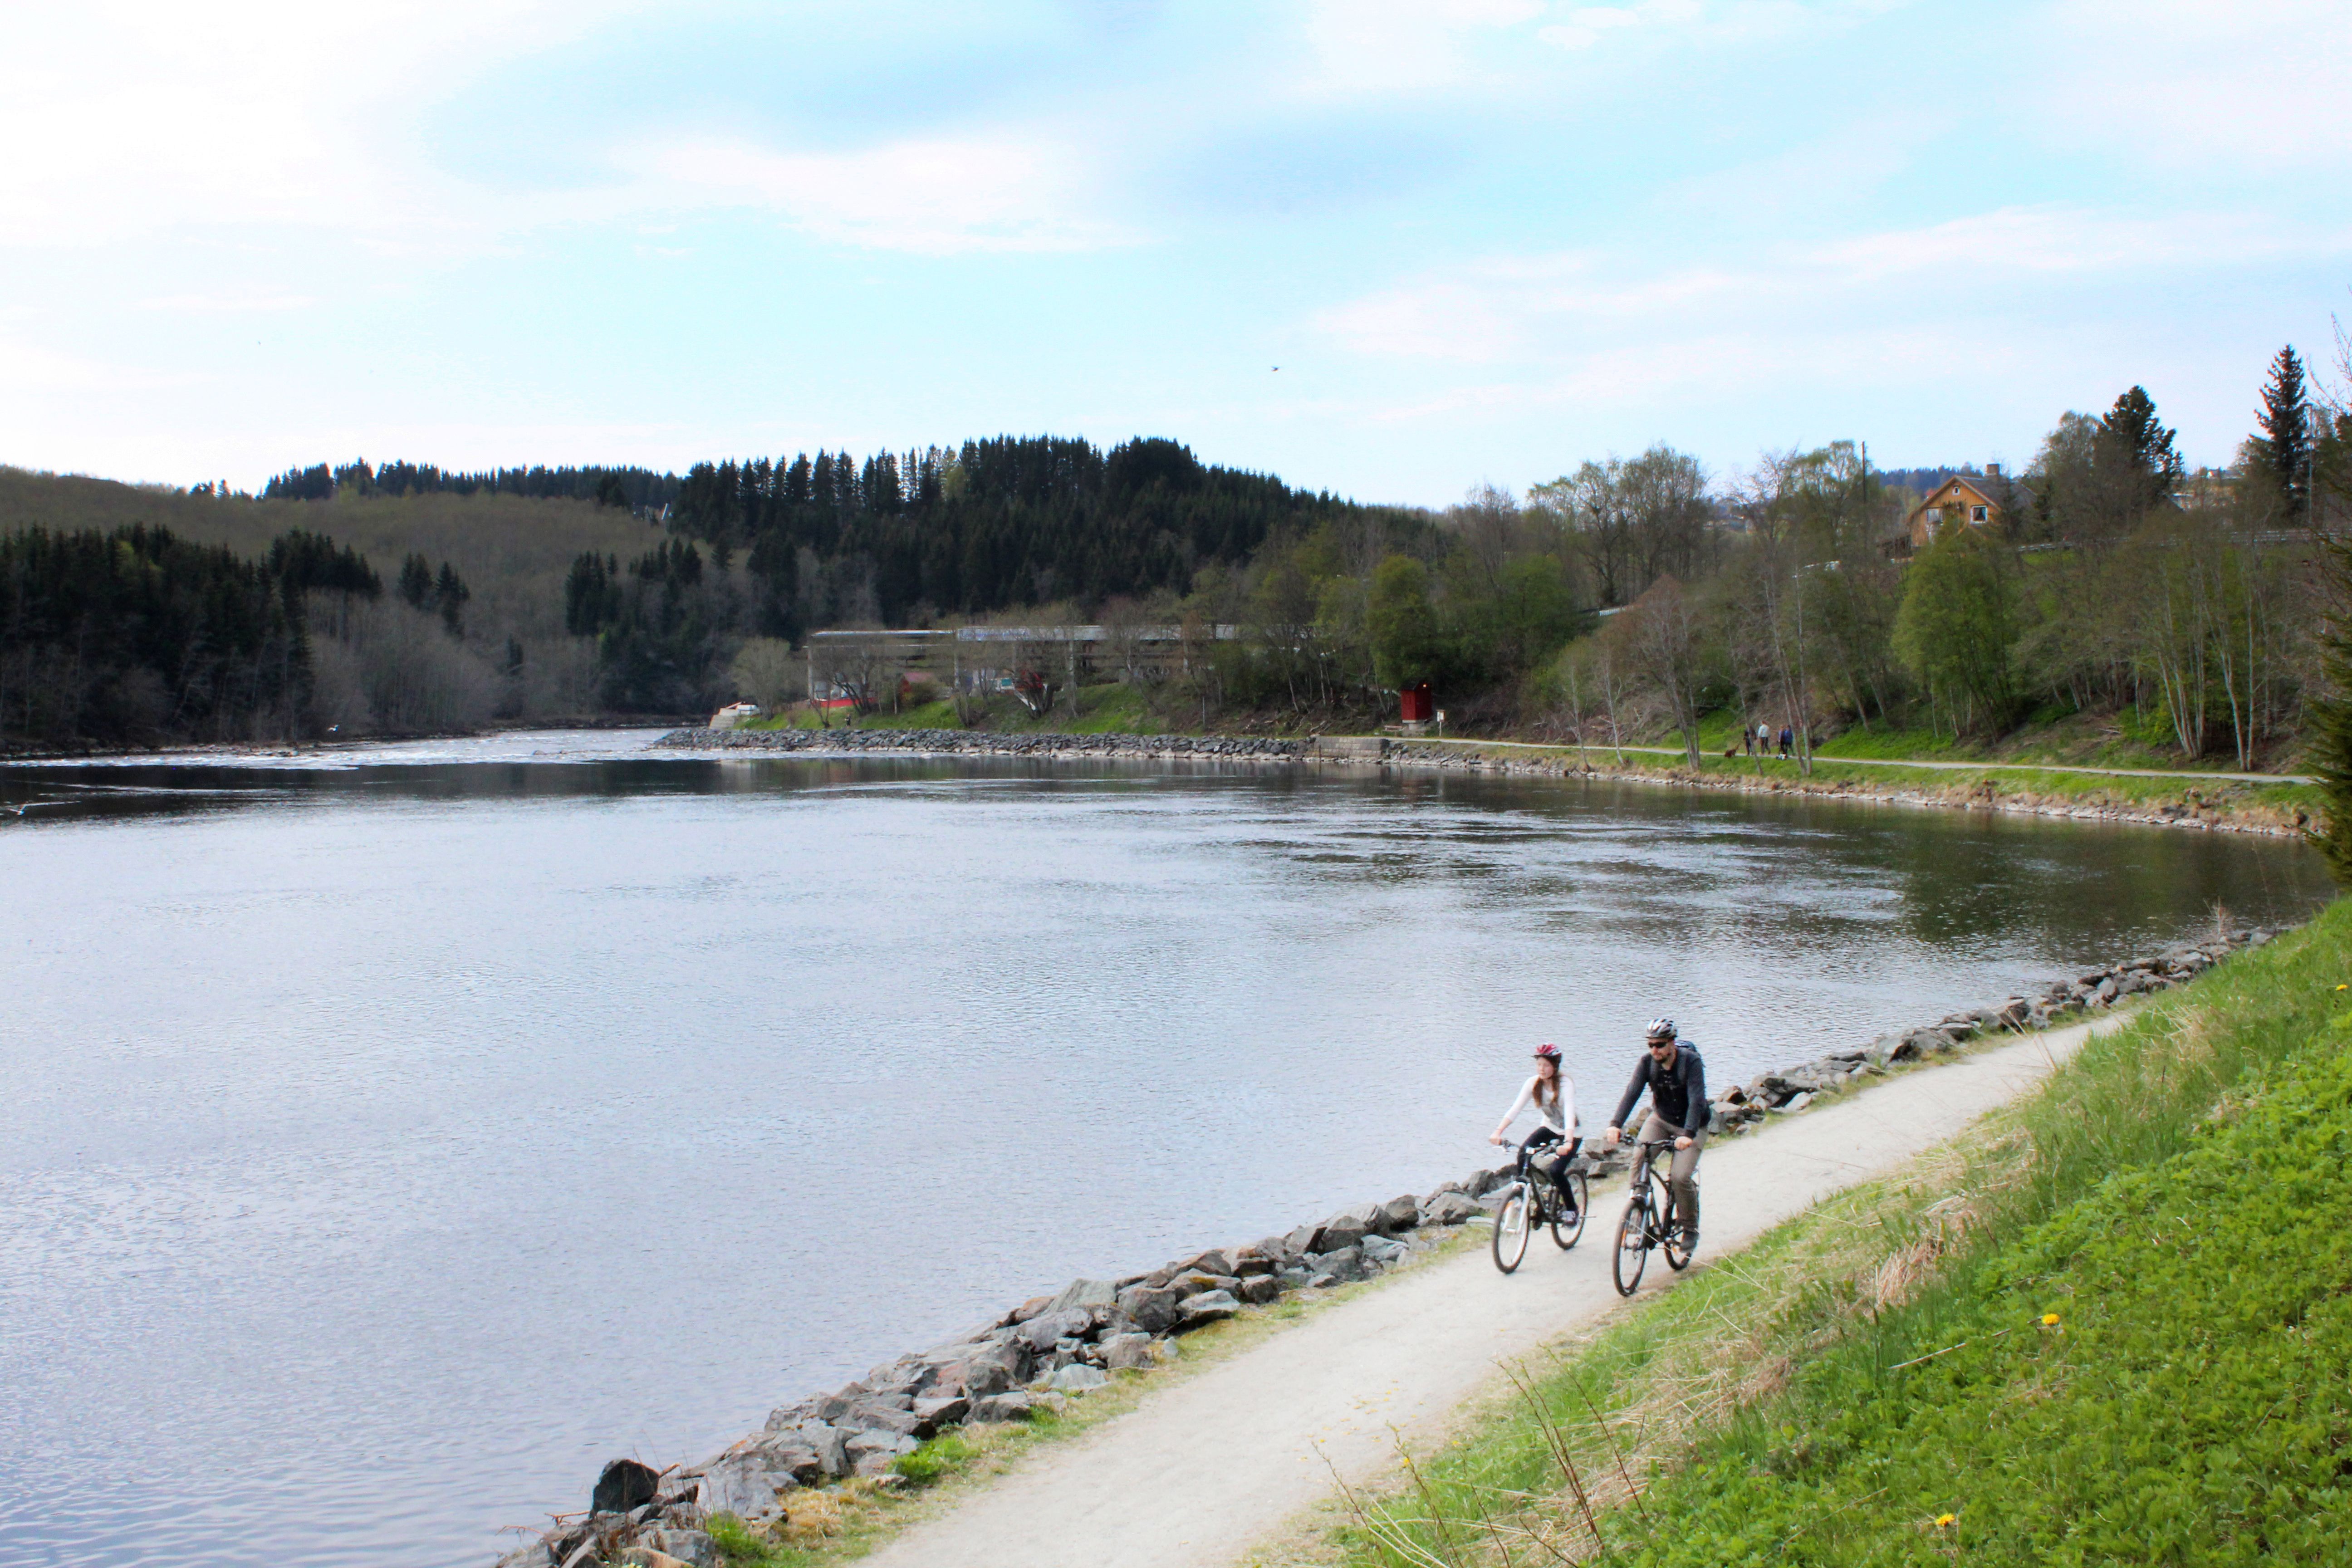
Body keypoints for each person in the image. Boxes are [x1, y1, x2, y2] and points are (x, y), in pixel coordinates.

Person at [1602, 1018, 1706, 1250]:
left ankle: (1690, 1229)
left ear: (1672, 1043)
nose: (1654, 1050)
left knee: (1680, 1177)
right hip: (1661, 1119)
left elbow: (1697, 1101)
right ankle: (1638, 1209)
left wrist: (1688, 1133)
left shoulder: (1691, 1063)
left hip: (1692, 1126)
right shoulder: (1647, 1063)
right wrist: (1615, 1124)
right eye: (1650, 1045)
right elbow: (1632, 1092)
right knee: (1640, 1155)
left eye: (1659, 1045)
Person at [1490, 1043, 1580, 1219]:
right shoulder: (1533, 1083)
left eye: (1546, 1065)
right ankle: (1523, 1197)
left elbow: (1569, 1112)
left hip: (1573, 1132)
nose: (1542, 1069)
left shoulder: (1565, 1084)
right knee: (1524, 1153)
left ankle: (1572, 1210)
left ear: (1555, 1066)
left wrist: (1568, 1142)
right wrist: (1498, 1131)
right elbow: (1516, 1109)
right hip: (1550, 1128)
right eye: (1539, 1064)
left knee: (1556, 1171)